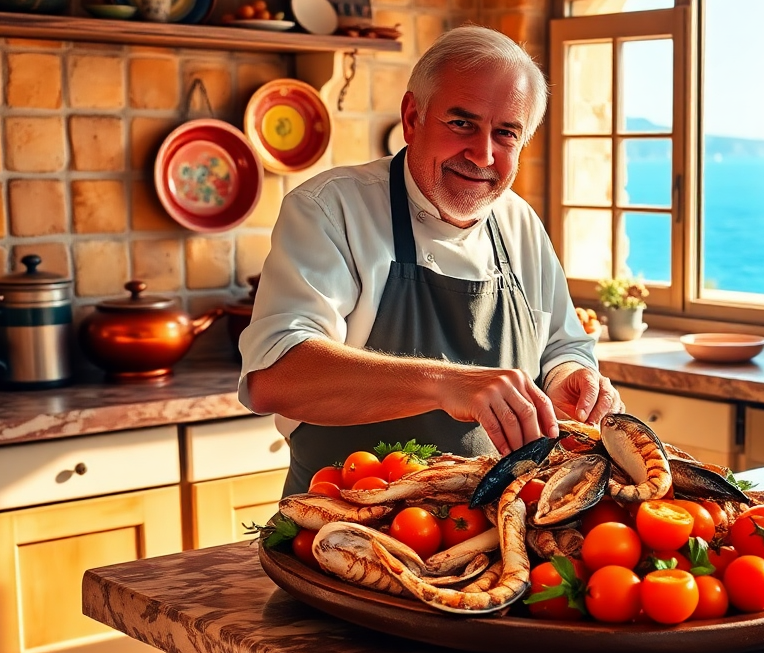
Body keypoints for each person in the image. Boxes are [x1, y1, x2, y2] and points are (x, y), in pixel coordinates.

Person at [238, 25, 622, 495]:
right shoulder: (330, 209)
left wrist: (569, 376)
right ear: (413, 117)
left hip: (488, 532)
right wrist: (447, 384)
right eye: (461, 123)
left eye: (505, 134)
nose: (482, 153)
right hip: (340, 529)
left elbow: (563, 345)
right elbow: (274, 377)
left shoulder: (519, 222)